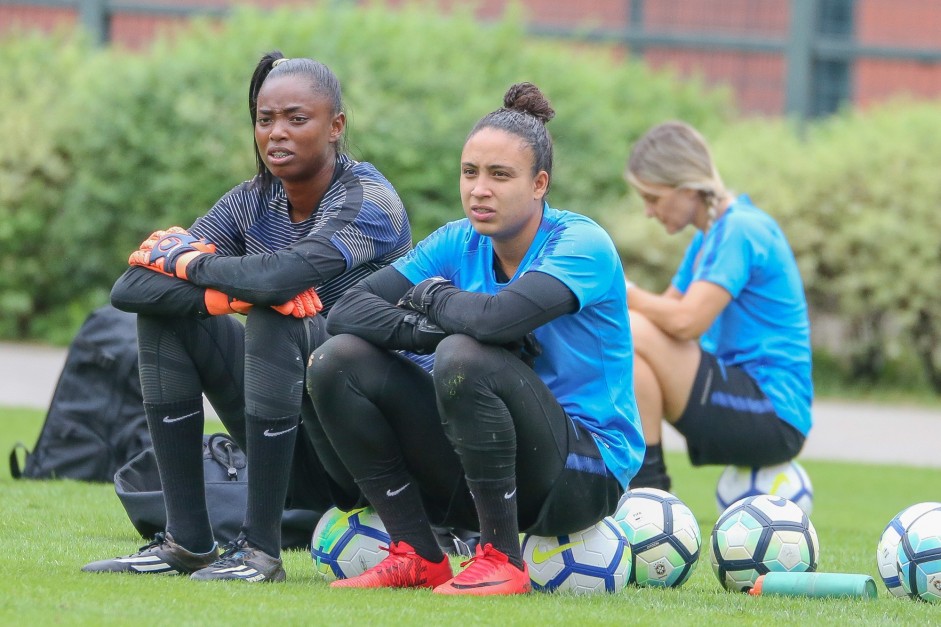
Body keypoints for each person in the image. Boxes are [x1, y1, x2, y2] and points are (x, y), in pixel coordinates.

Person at [81, 51, 413, 582]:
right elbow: (134, 286)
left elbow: (282, 279)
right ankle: (187, 542)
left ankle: (261, 553)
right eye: (265, 119)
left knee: (276, 317)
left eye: (296, 119)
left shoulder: (369, 202)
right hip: (288, 441)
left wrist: (190, 263)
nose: (276, 133)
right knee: (168, 317)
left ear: (336, 127)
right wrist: (224, 296)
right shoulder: (251, 202)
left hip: (373, 449)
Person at [305, 82, 644, 596]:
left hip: (584, 471)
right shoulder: (455, 239)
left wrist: (433, 296)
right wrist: (427, 329)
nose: (479, 189)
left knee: (466, 355)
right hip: (485, 459)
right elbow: (348, 310)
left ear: (539, 184)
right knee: (335, 359)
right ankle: (416, 551)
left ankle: (502, 560)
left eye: (499, 175)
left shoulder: (582, 244)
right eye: (470, 173)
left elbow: (496, 322)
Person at [622, 120, 812, 491]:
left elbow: (685, 323)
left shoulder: (741, 229)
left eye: (653, 198)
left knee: (629, 330)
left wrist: (621, 289)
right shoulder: (711, 235)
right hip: (744, 399)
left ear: (688, 187)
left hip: (774, 413)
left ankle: (650, 490)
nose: (648, 211)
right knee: (631, 345)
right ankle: (647, 491)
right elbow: (662, 314)